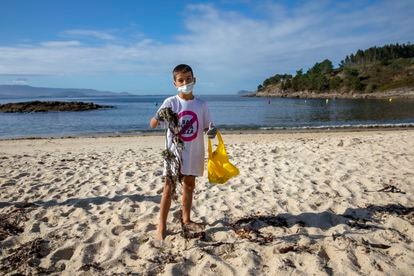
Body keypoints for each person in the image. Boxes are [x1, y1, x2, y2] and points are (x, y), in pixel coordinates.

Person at [149, 64, 217, 241]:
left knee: (189, 185)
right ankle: (161, 225)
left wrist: (212, 131)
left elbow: (208, 126)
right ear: (175, 83)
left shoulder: (202, 104)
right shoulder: (171, 102)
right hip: (174, 153)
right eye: (181, 80)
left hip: (194, 151)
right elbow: (153, 124)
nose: (185, 83)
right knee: (168, 188)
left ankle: (186, 219)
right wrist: (159, 116)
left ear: (194, 80)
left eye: (188, 79)